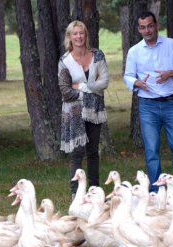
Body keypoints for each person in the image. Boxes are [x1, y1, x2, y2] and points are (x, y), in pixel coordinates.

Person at [123, 11, 173, 192]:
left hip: (171, 103)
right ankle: (156, 190)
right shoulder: (134, 51)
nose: (147, 30)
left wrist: (171, 72)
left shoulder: (171, 45)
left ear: (156, 26)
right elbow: (128, 76)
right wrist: (136, 82)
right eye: (143, 27)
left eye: (150, 26)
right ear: (139, 29)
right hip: (148, 106)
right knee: (151, 150)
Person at [58, 20, 109, 200]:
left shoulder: (97, 55)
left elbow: (105, 82)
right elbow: (65, 92)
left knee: (93, 152)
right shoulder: (65, 61)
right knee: (77, 154)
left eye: (82, 33)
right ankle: (76, 195)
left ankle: (95, 192)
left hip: (95, 110)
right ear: (70, 37)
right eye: (75, 33)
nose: (79, 36)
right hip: (74, 112)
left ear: (86, 35)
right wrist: (89, 91)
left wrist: (81, 86)